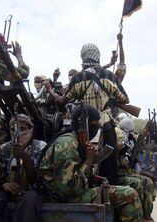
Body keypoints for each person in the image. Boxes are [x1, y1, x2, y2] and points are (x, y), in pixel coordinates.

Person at [39, 105, 157, 222]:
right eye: (95, 124)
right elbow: (69, 187)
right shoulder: (67, 144)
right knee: (129, 195)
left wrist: (93, 176)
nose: (96, 129)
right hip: (64, 197)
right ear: (85, 125)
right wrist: (89, 160)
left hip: (68, 192)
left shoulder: (74, 141)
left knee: (119, 188)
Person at [52, 43, 135, 185]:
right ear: (98, 56)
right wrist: (109, 98)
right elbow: (125, 99)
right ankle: (112, 192)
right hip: (107, 126)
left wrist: (52, 93)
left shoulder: (77, 78)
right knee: (110, 165)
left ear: (83, 57)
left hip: (86, 127)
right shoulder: (109, 76)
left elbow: (64, 100)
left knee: (83, 160)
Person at [117, 117, 157, 222]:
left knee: (147, 181)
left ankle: (147, 216)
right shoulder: (119, 139)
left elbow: (130, 165)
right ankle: (139, 218)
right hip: (119, 175)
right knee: (139, 183)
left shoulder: (130, 141)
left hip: (126, 172)